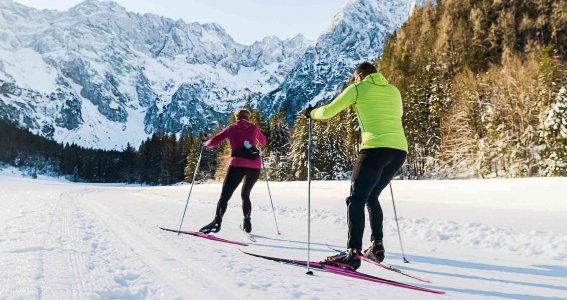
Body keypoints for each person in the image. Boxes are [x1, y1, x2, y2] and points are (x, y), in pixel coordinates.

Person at [307, 62, 408, 270]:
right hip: (399, 151)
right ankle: (376, 247)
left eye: (354, 79)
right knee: (372, 196)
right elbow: (396, 116)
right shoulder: (394, 90)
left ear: (359, 76)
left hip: (373, 150)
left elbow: (327, 112)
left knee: (356, 199)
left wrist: (311, 114)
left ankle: (352, 253)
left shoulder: (358, 88)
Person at [199, 109, 267, 234]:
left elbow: (213, 142)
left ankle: (217, 222)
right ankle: (247, 222)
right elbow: (263, 142)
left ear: (236, 118)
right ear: (248, 118)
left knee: (225, 196)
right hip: (255, 166)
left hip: (237, 165)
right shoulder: (254, 128)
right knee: (245, 195)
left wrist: (205, 143)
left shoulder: (231, 128)